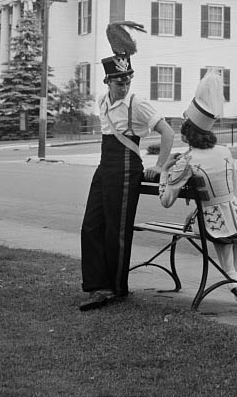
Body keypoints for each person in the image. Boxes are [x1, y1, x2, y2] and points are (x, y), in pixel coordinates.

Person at [79, 23, 175, 311]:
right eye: (119, 82)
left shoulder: (138, 103)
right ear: (108, 81)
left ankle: (115, 288)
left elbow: (168, 133)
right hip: (105, 164)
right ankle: (96, 283)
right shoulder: (102, 100)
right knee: (91, 226)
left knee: (117, 230)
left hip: (125, 166)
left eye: (127, 81)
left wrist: (159, 166)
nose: (124, 86)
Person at [158, 70, 237, 306]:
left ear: (188, 133)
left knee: (221, 232)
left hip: (209, 220)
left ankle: (235, 280)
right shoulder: (225, 152)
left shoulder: (187, 160)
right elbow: (234, 184)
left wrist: (164, 171)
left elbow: (166, 200)